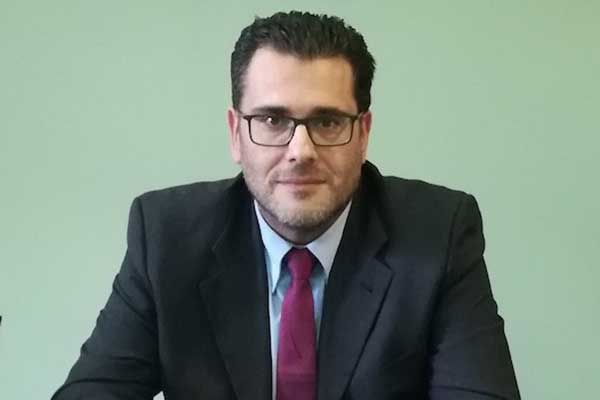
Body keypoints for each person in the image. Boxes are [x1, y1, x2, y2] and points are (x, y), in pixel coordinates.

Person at [52, 11, 520, 400]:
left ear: (363, 134)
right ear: (236, 133)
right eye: (273, 120)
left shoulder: (439, 234)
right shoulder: (166, 237)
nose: (301, 150)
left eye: (328, 121)